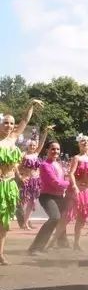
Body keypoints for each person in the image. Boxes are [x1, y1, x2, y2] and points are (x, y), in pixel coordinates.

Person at [49, 114, 88, 251]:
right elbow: (71, 173)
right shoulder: (76, 158)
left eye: (87, 141)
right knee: (67, 217)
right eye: (83, 141)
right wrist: (74, 187)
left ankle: (76, 243)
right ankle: (52, 241)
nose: (86, 143)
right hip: (77, 190)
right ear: (79, 144)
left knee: (82, 218)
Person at [0, 100, 44, 264]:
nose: (9, 126)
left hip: (10, 184)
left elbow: (24, 121)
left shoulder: (13, 138)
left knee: (4, 222)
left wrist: (31, 105)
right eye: (6, 123)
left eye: (11, 123)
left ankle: (1, 253)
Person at [28, 141, 70, 255]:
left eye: (57, 149)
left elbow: (65, 178)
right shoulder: (44, 165)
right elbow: (55, 182)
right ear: (47, 150)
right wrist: (69, 184)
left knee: (63, 218)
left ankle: (62, 242)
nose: (55, 151)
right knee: (55, 218)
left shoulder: (59, 164)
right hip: (47, 197)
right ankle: (35, 248)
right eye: (53, 149)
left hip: (60, 196)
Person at [16, 125, 53, 230]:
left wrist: (46, 132)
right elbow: (16, 166)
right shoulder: (23, 154)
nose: (32, 146)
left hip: (36, 181)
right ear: (28, 146)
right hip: (26, 181)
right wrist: (20, 176)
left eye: (34, 145)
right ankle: (22, 221)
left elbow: (41, 143)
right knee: (23, 201)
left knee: (32, 203)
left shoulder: (36, 154)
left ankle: (26, 223)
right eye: (31, 145)